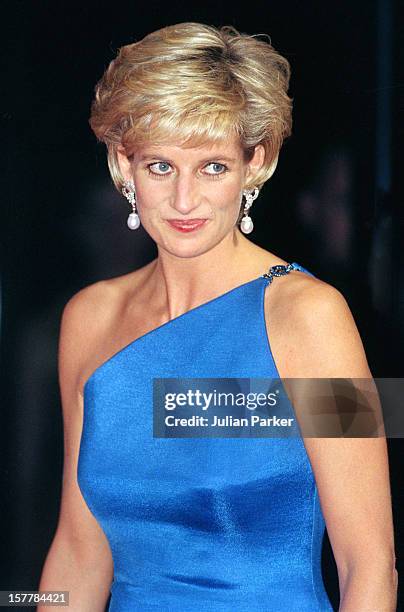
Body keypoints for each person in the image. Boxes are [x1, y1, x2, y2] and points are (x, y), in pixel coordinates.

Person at [38, 22, 397, 611]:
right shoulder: (90, 319)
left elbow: (369, 565)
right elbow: (78, 551)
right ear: (123, 164)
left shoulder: (311, 317)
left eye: (212, 167)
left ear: (254, 164)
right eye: (160, 166)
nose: (184, 201)